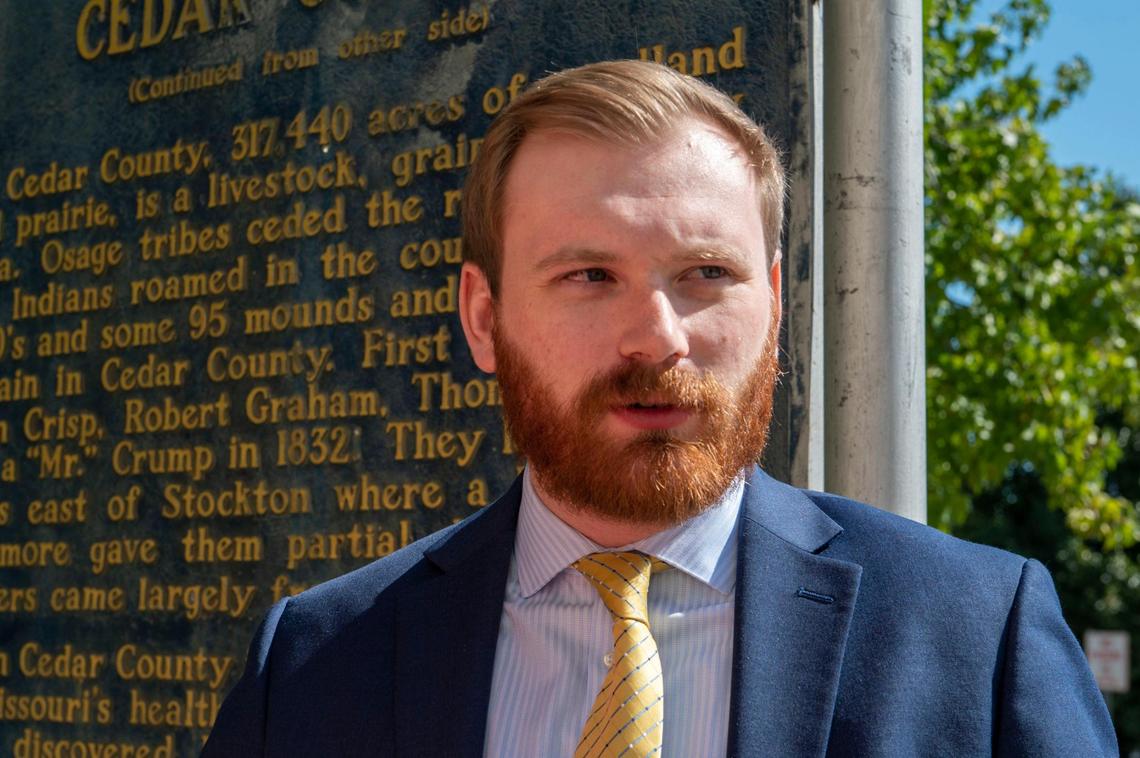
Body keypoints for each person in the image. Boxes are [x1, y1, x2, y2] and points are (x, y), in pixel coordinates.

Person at [203, 60, 1117, 757]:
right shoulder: (312, 667)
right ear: (483, 320)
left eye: (706, 275)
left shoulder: (977, 636)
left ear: (773, 308)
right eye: (589, 275)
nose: (657, 337)